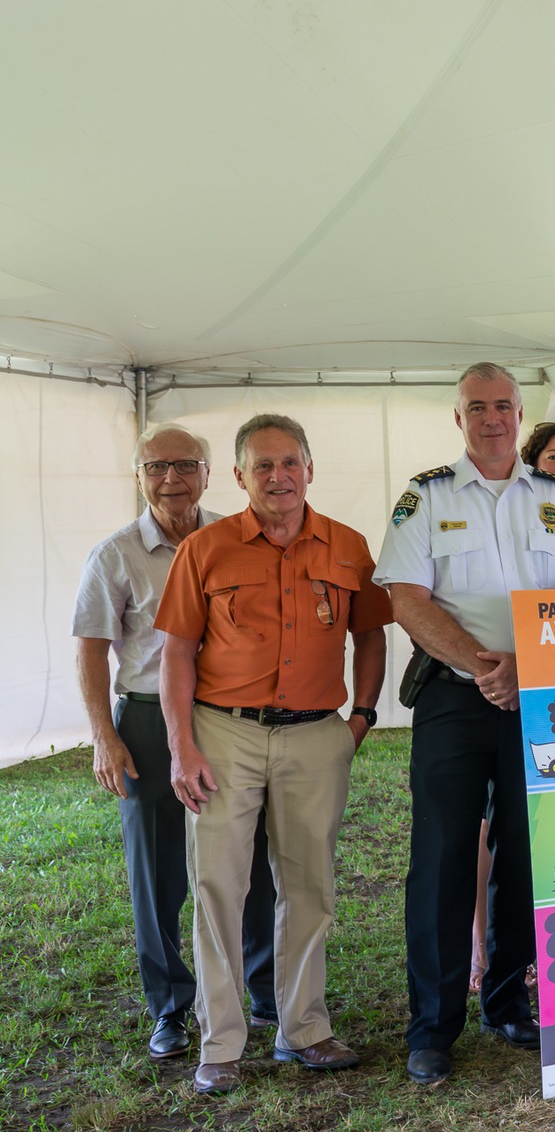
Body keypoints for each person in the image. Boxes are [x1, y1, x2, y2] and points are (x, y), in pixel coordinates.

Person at [375, 363, 555, 1084]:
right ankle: (432, 1026)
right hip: (453, 697)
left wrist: (526, 667)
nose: (493, 418)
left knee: (529, 853)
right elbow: (406, 600)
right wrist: (485, 667)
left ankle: (507, 1003)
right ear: (459, 417)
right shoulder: (426, 496)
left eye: (504, 405)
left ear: (518, 412)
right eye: (478, 407)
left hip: (540, 698)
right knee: (443, 857)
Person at [155, 414, 390, 1095]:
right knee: (219, 887)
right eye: (263, 465)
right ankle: (221, 1042)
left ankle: (304, 1029)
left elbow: (372, 635)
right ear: (239, 476)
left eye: (290, 463)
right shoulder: (205, 548)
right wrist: (181, 746)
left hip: (316, 734)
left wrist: (361, 716)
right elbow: (176, 653)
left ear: (310, 469)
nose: (278, 477)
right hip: (224, 732)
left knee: (310, 886)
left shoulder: (348, 546)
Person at [73, 424, 278, 1062]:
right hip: (145, 721)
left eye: (186, 465)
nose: (172, 478)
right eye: (156, 466)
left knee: (250, 860)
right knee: (157, 871)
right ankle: (169, 1005)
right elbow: (90, 649)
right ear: (138, 475)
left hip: (228, 719)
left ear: (210, 474)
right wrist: (105, 737)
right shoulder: (114, 555)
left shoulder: (237, 538)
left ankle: (265, 990)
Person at [442, 419, 555, 996]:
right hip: (491, 687)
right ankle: (481, 949)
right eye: (553, 458)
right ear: (532, 463)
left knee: (546, 828)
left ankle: (527, 956)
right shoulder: (494, 506)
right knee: (490, 826)